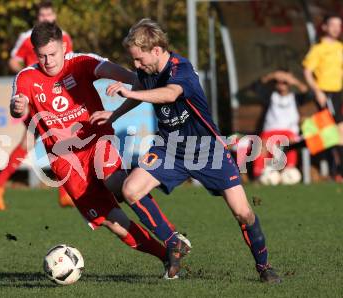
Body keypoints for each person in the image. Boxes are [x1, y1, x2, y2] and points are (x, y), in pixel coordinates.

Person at [90, 19, 281, 283]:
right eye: (133, 60)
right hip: (169, 148)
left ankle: (264, 267)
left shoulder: (182, 69)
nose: (135, 66)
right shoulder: (147, 72)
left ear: (156, 50)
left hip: (206, 149)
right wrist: (114, 115)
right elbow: (141, 87)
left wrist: (128, 94)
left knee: (243, 212)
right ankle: (173, 242)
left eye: (138, 59)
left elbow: (169, 94)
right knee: (131, 189)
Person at [11, 21, 190, 279]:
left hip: (96, 142)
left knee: (117, 181)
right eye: (42, 56)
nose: (48, 61)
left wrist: (133, 83)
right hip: (65, 162)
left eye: (53, 54)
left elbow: (128, 75)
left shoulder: (81, 62)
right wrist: (17, 108)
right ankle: (167, 257)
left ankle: (171, 236)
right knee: (113, 222)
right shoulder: (26, 77)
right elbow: (17, 104)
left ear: (63, 47)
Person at [0, 0, 74, 210]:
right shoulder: (27, 38)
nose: (46, 19)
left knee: (32, 142)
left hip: (54, 96)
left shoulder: (64, 38)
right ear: (38, 18)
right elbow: (13, 61)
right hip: (35, 96)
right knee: (57, 139)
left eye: (49, 15)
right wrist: (28, 76)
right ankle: (65, 193)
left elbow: (69, 62)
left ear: (54, 16)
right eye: (43, 16)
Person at [303, 13, 343, 182]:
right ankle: (337, 170)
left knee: (337, 131)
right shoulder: (318, 49)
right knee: (335, 131)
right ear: (325, 27)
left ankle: (335, 170)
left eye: (339, 25)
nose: (336, 28)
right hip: (325, 93)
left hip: (339, 93)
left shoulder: (341, 47)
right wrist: (317, 91)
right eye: (332, 25)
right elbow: (307, 72)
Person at [253, 70, 309, 179]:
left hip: (289, 132)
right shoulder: (270, 96)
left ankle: (289, 171)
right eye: (279, 82)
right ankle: (259, 174)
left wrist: (294, 81)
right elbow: (256, 87)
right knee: (262, 144)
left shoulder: (295, 98)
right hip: (270, 131)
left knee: (290, 143)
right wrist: (272, 75)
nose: (282, 84)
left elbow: (307, 92)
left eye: (285, 82)